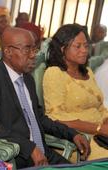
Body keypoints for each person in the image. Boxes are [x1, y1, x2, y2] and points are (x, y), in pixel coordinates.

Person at [0, 26, 90, 169]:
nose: (33, 55)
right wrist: (29, 148)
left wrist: (72, 134)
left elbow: (40, 118)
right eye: (27, 49)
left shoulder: (27, 78)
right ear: (8, 51)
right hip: (19, 156)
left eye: (34, 49)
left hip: (43, 151)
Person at [43, 24, 108, 160]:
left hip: (101, 132)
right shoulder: (54, 73)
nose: (84, 50)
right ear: (62, 49)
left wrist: (105, 122)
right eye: (78, 46)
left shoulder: (88, 72)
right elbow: (55, 116)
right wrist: (98, 129)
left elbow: (100, 107)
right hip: (79, 139)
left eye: (86, 45)